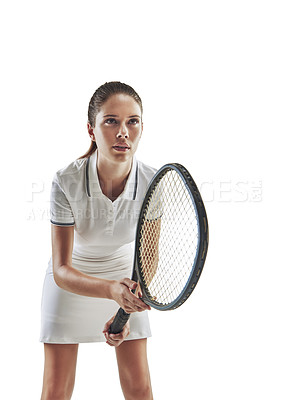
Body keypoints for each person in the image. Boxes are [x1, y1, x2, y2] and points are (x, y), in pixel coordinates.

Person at [40, 81, 156, 400]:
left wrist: (127, 305)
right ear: (92, 130)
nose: (123, 132)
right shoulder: (66, 180)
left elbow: (149, 261)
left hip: (125, 276)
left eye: (132, 121)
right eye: (111, 121)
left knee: (139, 387)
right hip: (71, 278)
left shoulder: (154, 180)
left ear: (142, 128)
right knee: (55, 390)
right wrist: (110, 291)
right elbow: (61, 269)